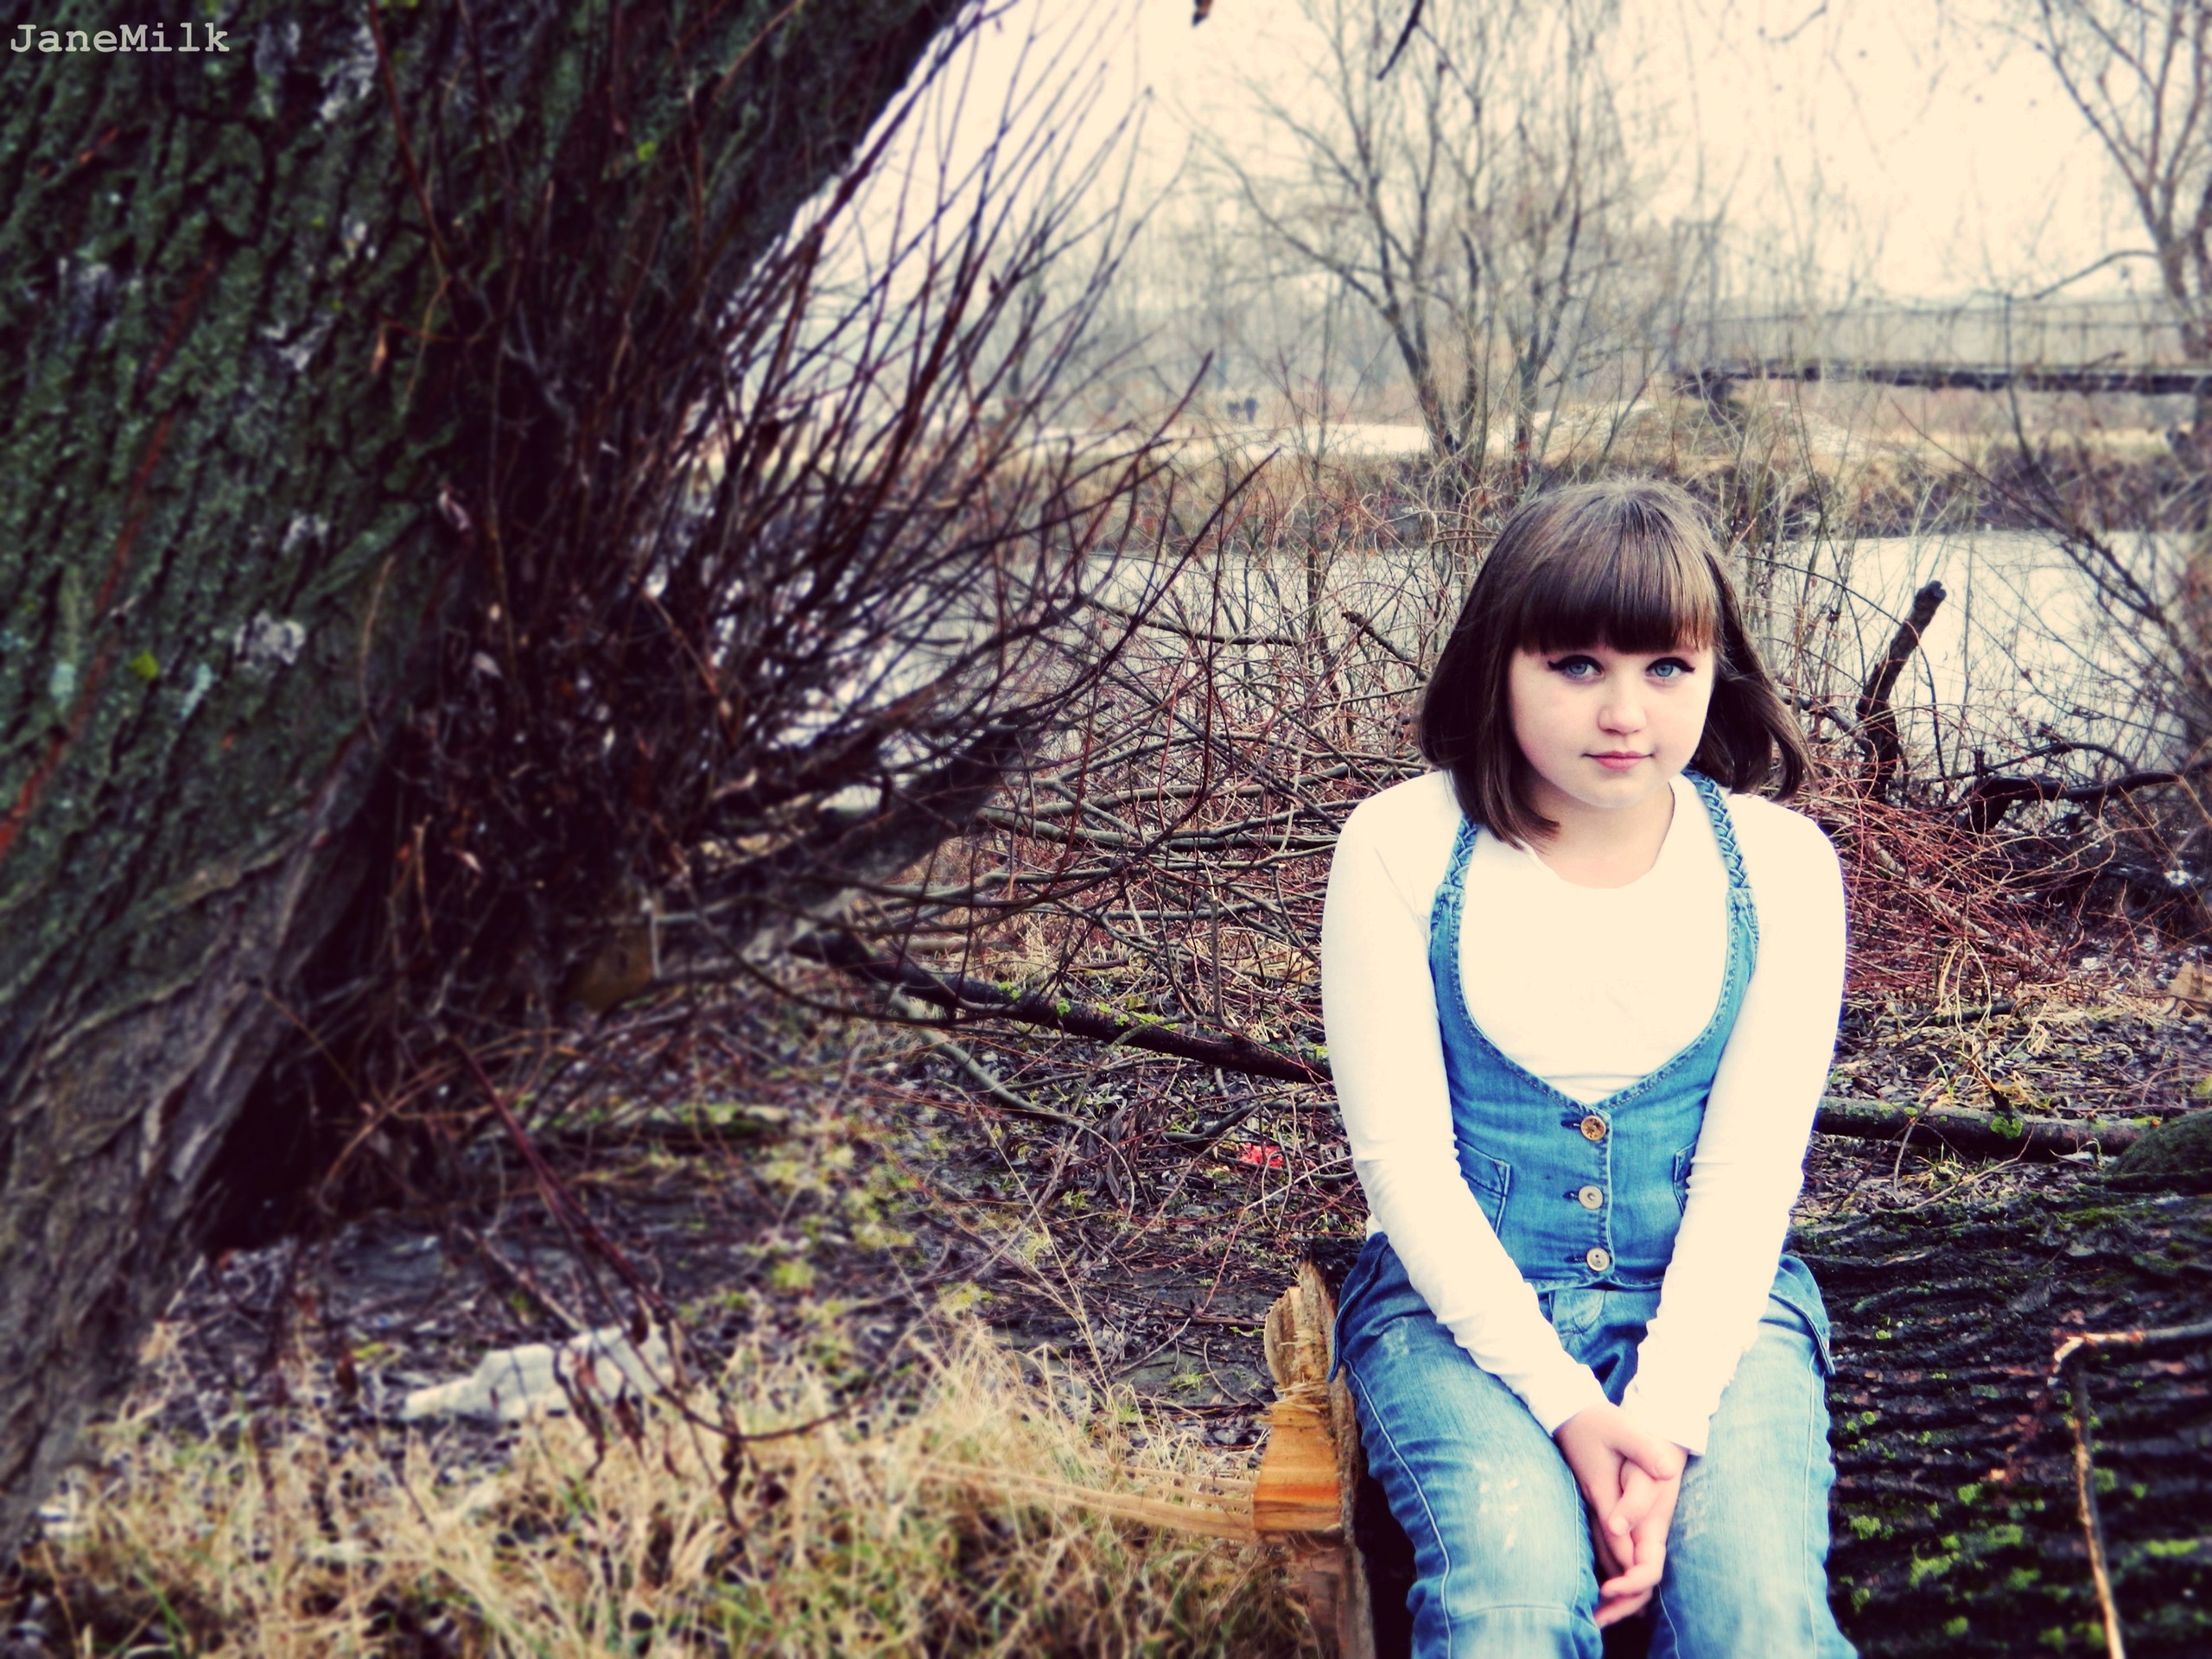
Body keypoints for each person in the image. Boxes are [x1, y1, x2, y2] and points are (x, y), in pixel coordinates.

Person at [1320, 478, 1854, 1657]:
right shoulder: (1402, 846)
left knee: (1759, 1621)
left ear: (1716, 672)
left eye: (1666, 667)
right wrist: (1569, 1408)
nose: (1625, 713)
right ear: (1498, 664)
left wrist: (1663, 1423)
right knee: (1508, 1603)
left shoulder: (1782, 866)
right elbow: (1405, 1171)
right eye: (1575, 665)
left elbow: (1750, 1177)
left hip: (1714, 1310)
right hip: (1452, 1313)